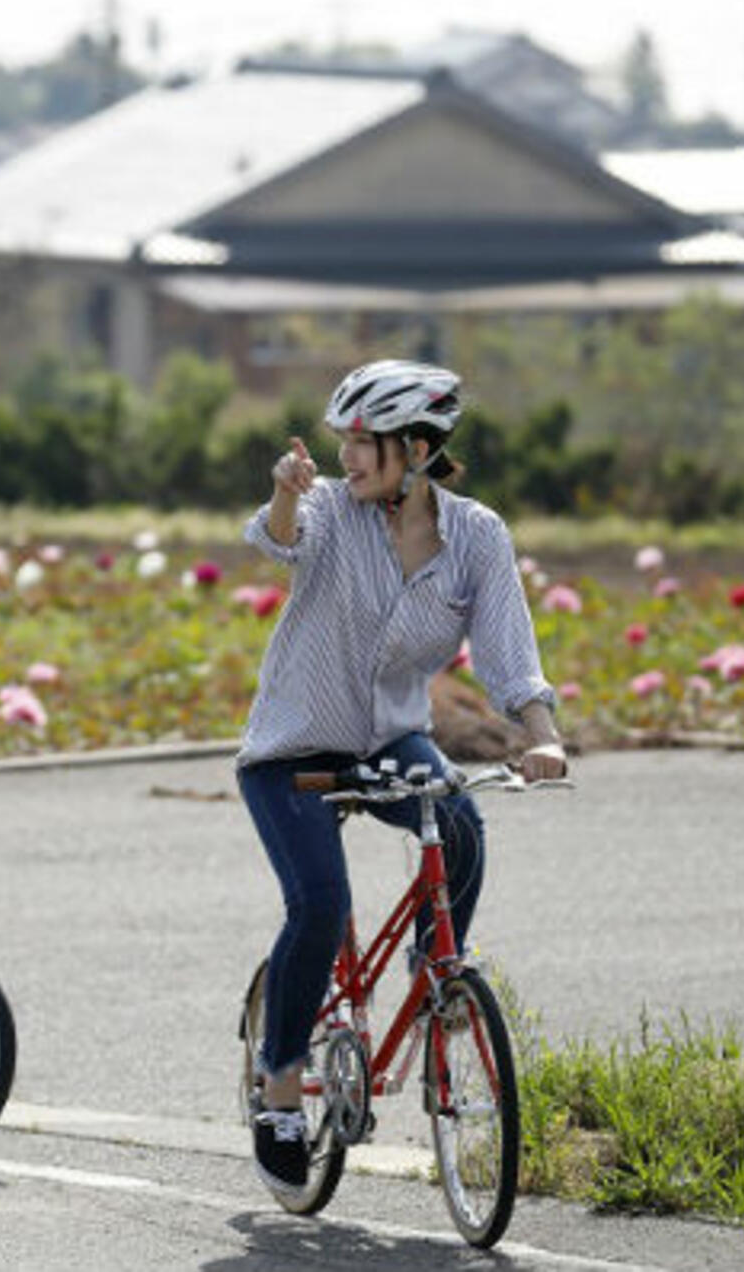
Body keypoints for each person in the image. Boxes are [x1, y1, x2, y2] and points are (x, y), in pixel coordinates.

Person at [235, 358, 567, 1199]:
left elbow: (507, 652)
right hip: (293, 748)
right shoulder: (330, 515)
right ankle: (279, 1084)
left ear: (417, 449)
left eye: (365, 442)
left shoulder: (478, 537)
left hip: (387, 740)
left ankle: (439, 982)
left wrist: (543, 737)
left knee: (459, 821)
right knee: (321, 904)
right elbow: (280, 536)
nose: (347, 457)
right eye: (344, 440)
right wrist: (284, 489)